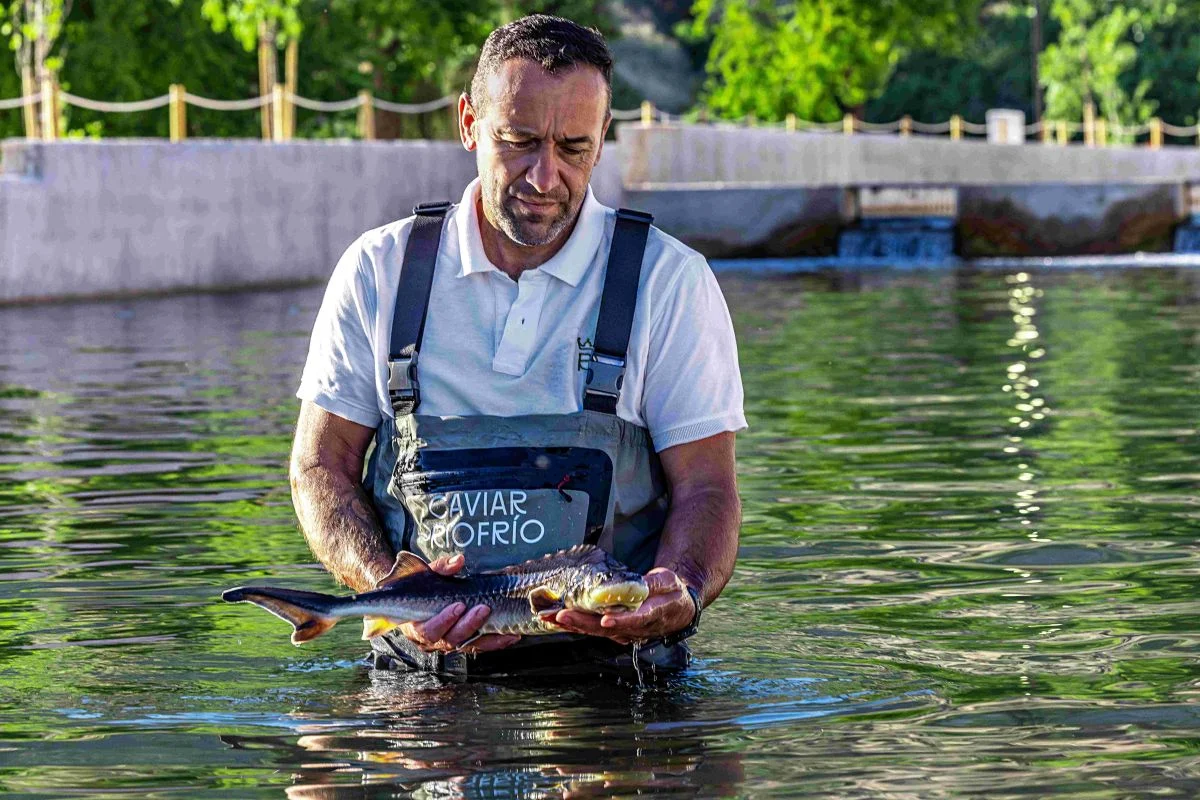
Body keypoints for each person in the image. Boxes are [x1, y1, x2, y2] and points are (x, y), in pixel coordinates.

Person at [289, 14, 746, 676]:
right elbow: (319, 466)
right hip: (418, 690)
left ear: (602, 138)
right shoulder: (379, 270)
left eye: (574, 147)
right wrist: (392, 590)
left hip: (614, 689)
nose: (544, 176)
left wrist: (683, 589)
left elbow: (708, 487)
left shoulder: (668, 280)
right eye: (520, 141)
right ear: (469, 123)